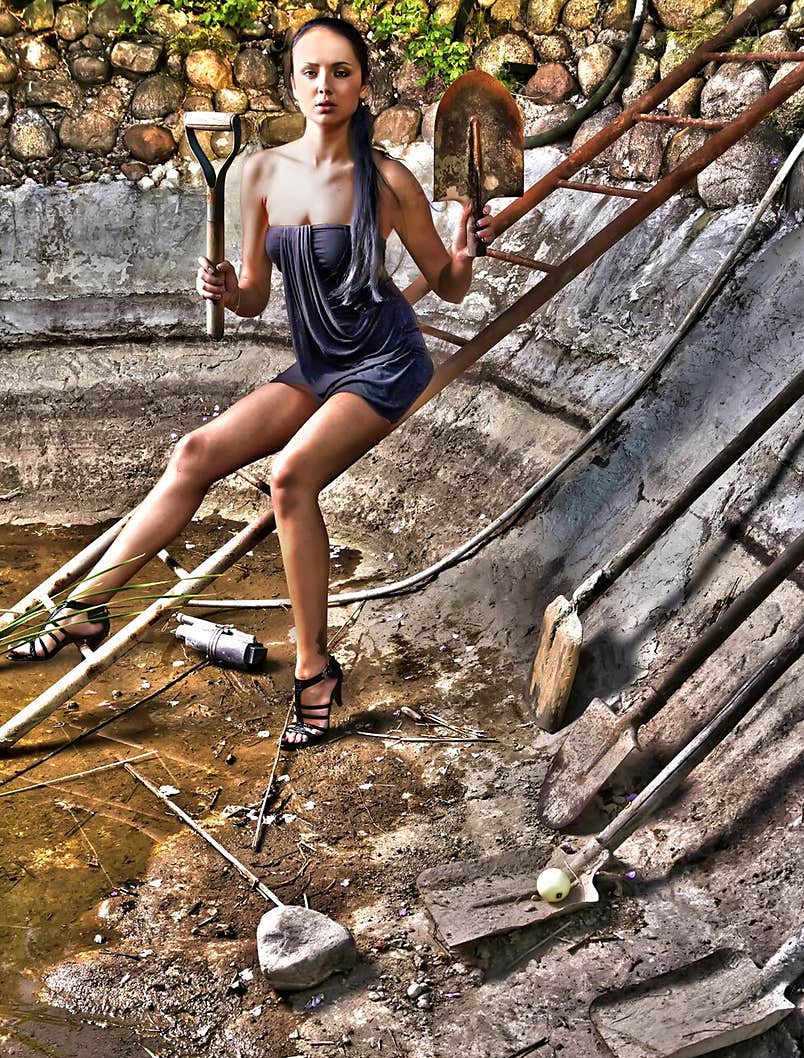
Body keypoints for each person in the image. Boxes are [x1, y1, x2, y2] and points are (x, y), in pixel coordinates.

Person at [8, 16, 497, 750]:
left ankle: (313, 672)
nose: (324, 86)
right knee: (195, 453)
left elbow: (448, 288)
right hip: (318, 363)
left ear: (362, 85)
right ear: (293, 81)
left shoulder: (390, 182)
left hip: (384, 360)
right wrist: (230, 287)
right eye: (310, 72)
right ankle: (87, 607)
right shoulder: (262, 172)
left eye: (340, 71)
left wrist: (462, 245)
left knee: (289, 477)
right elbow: (259, 296)